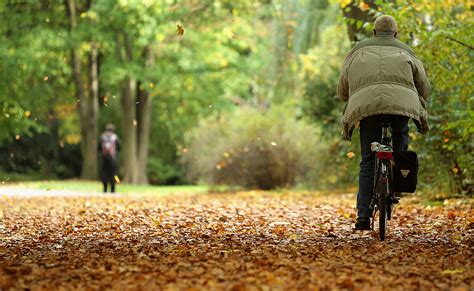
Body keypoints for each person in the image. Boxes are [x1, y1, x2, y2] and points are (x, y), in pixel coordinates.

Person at [337, 15, 430, 230]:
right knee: (399, 144)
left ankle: (362, 216)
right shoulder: (406, 50)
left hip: (367, 108)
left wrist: (348, 98)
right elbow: (423, 86)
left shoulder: (358, 50)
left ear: (374, 32)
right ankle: (395, 181)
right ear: (396, 33)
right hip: (400, 107)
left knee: (368, 160)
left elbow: (342, 88)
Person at [98, 123, 120, 193]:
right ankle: (112, 190)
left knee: (104, 174)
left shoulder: (102, 137)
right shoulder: (115, 137)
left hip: (104, 159)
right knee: (113, 174)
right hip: (113, 160)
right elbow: (119, 147)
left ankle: (105, 189)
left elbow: (98, 148)